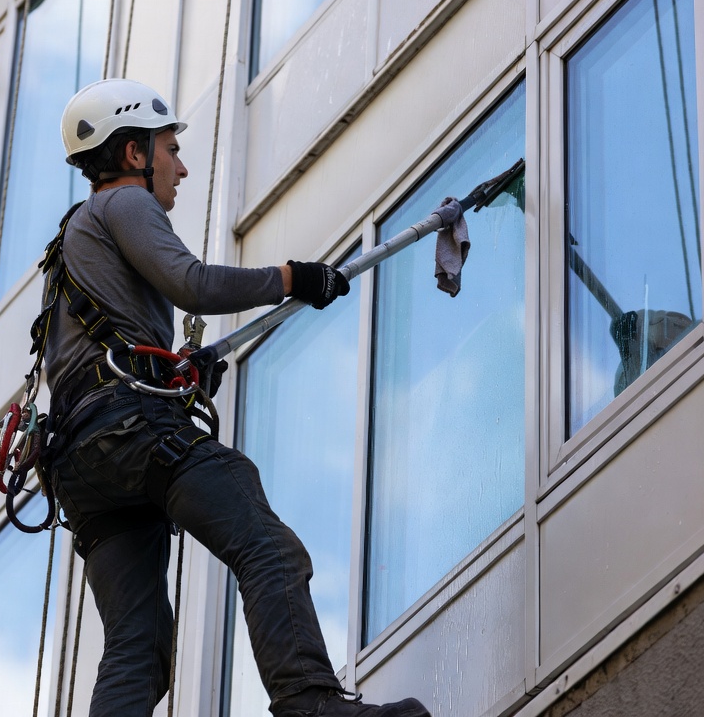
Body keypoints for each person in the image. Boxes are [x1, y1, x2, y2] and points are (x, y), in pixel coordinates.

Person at [39, 78, 430, 717]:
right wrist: (290, 277)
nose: (182, 166)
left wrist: (176, 373)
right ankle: (311, 705)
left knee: (138, 643)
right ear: (135, 154)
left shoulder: (74, 243)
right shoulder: (123, 206)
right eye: (170, 148)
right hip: (127, 432)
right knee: (265, 543)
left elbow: (99, 357)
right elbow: (191, 284)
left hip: (83, 467)